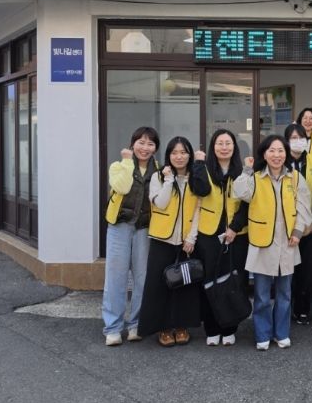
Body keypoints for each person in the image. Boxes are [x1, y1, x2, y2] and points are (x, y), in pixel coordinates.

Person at [233, 135, 312, 350]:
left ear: (286, 154)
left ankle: (281, 333)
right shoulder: (256, 177)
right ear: (264, 154)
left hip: (288, 243)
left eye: (280, 151)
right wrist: (247, 170)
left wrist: (298, 231)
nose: (277, 155)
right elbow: (239, 192)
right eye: (272, 151)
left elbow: (304, 207)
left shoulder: (295, 178)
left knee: (285, 293)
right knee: (261, 295)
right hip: (262, 243)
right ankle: (263, 334)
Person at [138, 136, 208, 347]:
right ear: (168, 155)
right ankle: (163, 328)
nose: (179, 157)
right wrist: (169, 180)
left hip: (186, 241)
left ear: (189, 155)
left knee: (185, 285)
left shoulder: (195, 178)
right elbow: (160, 203)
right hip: (162, 238)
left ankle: (182, 325)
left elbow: (198, 209)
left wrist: (191, 238)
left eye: (183, 152)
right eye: (175, 153)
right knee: (159, 285)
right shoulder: (158, 176)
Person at [189, 129, 249, 346]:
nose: (224, 147)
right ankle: (212, 327)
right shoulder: (203, 169)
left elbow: (246, 204)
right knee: (210, 281)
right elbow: (200, 190)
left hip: (237, 235)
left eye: (228, 143)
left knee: (234, 281)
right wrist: (198, 163)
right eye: (219, 143)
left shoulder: (242, 171)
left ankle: (230, 327)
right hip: (209, 234)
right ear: (213, 147)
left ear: (234, 147)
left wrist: (234, 228)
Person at [102, 127, 160, 346]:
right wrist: (127, 162)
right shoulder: (118, 166)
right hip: (120, 227)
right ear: (132, 143)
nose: (145, 148)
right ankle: (113, 328)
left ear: (155, 148)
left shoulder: (159, 171)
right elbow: (123, 187)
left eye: (150, 144)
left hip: (145, 229)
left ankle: (136, 324)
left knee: (142, 279)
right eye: (141, 142)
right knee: (115, 279)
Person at [284, 123, 312, 325]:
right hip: (285, 226)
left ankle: (303, 309)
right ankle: (286, 309)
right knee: (286, 271)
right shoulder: (281, 161)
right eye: (293, 138)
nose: (297, 142)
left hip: (308, 227)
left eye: (301, 138)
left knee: (306, 270)